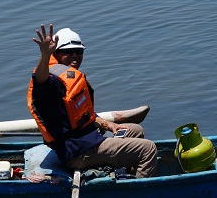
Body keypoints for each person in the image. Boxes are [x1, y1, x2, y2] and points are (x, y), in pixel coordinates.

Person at [27, 24, 157, 178]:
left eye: (79, 52)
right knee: (148, 149)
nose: (75, 56)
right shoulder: (51, 83)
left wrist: (109, 125)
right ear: (56, 53)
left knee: (135, 130)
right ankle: (136, 192)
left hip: (88, 141)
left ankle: (126, 175)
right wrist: (45, 55)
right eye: (69, 52)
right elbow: (40, 81)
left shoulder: (69, 78)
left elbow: (83, 116)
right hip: (78, 152)